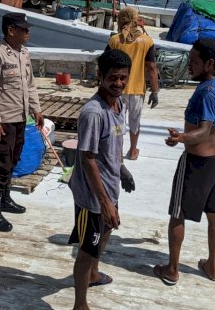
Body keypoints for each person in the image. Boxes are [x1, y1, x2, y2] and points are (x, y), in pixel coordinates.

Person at [153, 38, 215, 286]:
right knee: (214, 213)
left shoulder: (206, 92)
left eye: (194, 62)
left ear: (209, 63)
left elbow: (203, 131)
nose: (189, 65)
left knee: (178, 213)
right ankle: (211, 264)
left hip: (197, 164)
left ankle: (172, 269)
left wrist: (181, 137)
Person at [68, 49, 133, 310]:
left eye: (123, 78)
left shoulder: (120, 104)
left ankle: (94, 275)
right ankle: (79, 304)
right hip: (93, 197)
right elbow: (88, 158)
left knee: (105, 233)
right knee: (87, 249)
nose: (118, 84)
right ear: (100, 76)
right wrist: (105, 203)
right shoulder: (94, 113)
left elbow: (114, 146)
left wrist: (123, 171)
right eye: (113, 78)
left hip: (111, 186)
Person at [0, 12, 44, 232]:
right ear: (10, 30)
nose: (28, 32)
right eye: (24, 29)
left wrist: (36, 109)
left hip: (20, 118)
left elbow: (31, 84)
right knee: (1, 164)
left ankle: (5, 199)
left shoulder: (24, 54)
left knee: (13, 159)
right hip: (4, 120)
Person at [106, 6, 159, 161]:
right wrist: (154, 91)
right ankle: (133, 150)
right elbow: (151, 67)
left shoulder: (115, 40)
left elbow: (105, 63)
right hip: (136, 89)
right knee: (135, 121)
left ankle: (117, 153)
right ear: (136, 20)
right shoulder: (147, 41)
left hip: (116, 90)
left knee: (117, 122)